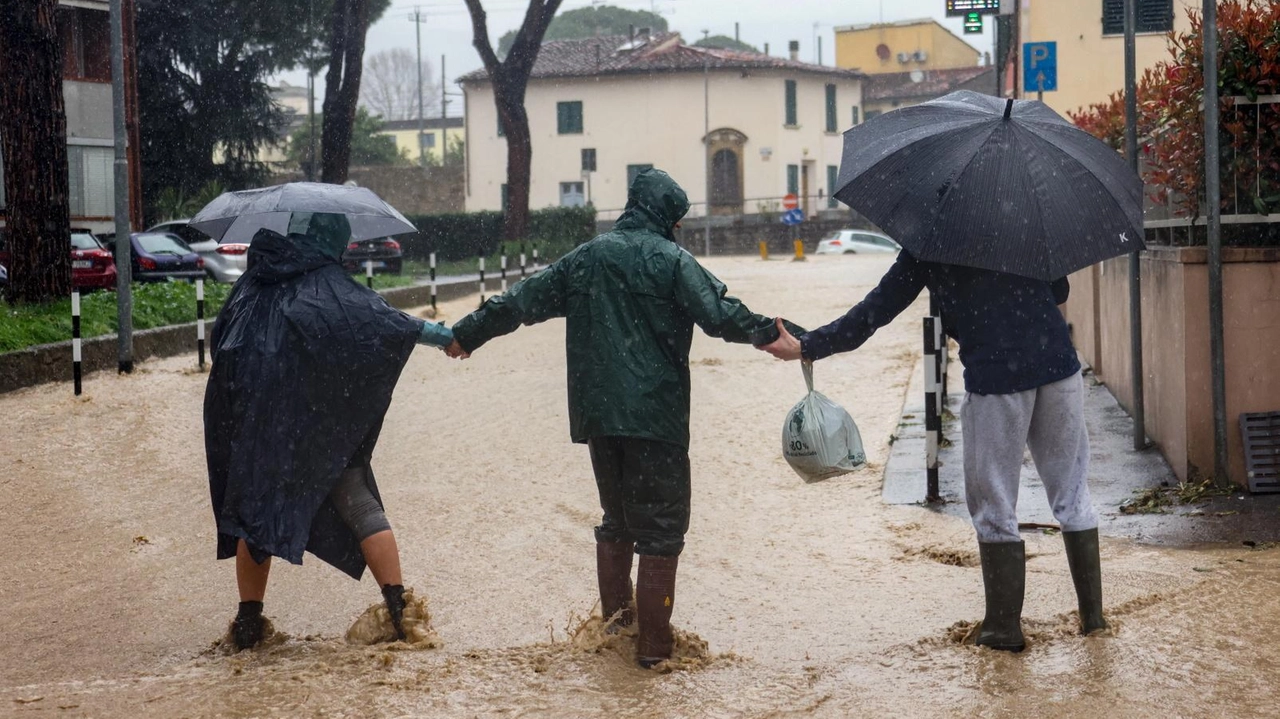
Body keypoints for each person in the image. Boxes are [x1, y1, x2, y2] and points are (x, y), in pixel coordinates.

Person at [445, 169, 800, 668]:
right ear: (669, 221)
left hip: (598, 417)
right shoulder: (673, 261)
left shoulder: (585, 259)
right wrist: (784, 336)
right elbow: (721, 315)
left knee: (618, 521)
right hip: (655, 417)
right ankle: (655, 655)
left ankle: (614, 635)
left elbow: (519, 301)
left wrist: (467, 333)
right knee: (661, 531)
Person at [758, 251, 1105, 653]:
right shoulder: (1028, 225)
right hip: (1059, 367)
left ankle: (1003, 629)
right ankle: (1094, 622)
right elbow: (1059, 289)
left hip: (997, 378)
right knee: (1073, 494)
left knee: (994, 505)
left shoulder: (934, 240)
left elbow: (878, 308)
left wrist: (808, 346)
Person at [204, 212, 454, 651]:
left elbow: (221, 342)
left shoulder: (252, 283)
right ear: (335, 244)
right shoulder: (331, 286)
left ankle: (248, 625)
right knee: (358, 501)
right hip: (316, 424)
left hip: (258, 424)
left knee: (254, 517)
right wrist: (447, 336)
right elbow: (388, 324)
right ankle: (401, 613)